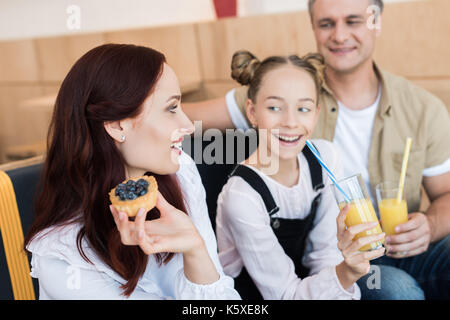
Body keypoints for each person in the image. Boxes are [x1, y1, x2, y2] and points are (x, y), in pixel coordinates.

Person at [184, 0, 450, 299]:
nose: (339, 35)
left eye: (352, 21)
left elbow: (445, 195)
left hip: (386, 249)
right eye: (326, 23)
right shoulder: (278, 84)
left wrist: (430, 223)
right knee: (395, 289)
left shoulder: (420, 109)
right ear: (253, 110)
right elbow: (179, 116)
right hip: (323, 266)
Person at [23, 43, 241, 300]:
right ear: (116, 126)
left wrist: (195, 248)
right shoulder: (64, 257)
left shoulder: (181, 173)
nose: (188, 126)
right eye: (171, 108)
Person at [216, 50, 386, 300]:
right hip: (255, 297)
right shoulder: (241, 196)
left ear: (316, 114)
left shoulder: (327, 158)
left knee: (392, 287)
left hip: (312, 283)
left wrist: (342, 272)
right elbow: (285, 294)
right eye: (275, 107)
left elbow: (325, 253)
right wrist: (346, 274)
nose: (291, 122)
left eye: (303, 109)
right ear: (252, 112)